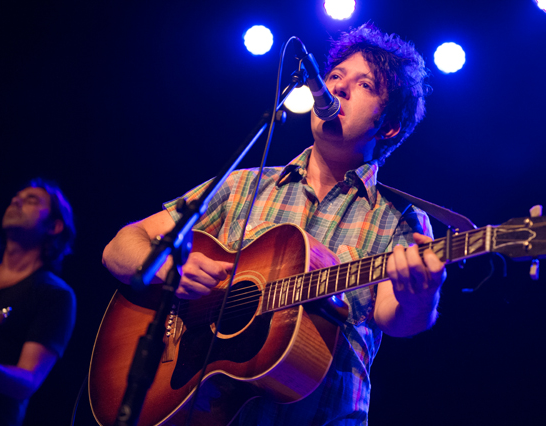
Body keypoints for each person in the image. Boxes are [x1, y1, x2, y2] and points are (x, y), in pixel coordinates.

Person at [103, 22, 445, 425]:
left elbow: (397, 319)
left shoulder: (403, 220)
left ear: (388, 126)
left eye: (365, 85)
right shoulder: (243, 185)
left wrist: (422, 296)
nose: (338, 88)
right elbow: (121, 246)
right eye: (335, 76)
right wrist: (167, 270)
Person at [0, 179, 77, 426]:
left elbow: (27, 382)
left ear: (54, 225)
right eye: (16, 197)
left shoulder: (54, 294)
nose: (16, 201)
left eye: (31, 200)